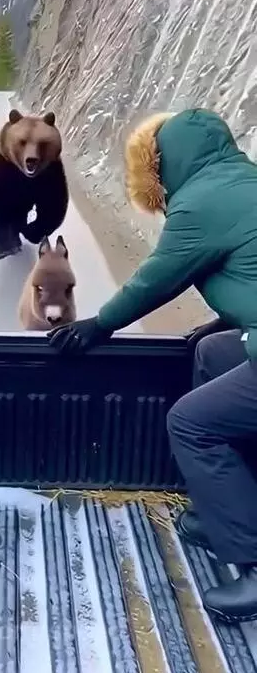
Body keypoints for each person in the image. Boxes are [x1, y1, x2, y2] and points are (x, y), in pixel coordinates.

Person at [48, 108, 257, 624]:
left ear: (161, 165)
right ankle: (224, 509)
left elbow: (158, 278)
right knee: (214, 352)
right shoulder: (241, 182)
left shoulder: (201, 204)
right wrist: (228, 321)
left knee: (191, 423)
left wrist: (100, 325)